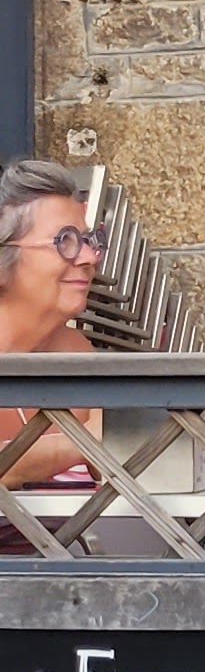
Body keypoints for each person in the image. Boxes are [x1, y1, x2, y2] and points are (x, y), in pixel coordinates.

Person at [0, 160, 103, 542]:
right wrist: (89, 443)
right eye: (65, 241)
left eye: (89, 240)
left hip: (59, 571)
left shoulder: (75, 354)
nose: (90, 257)